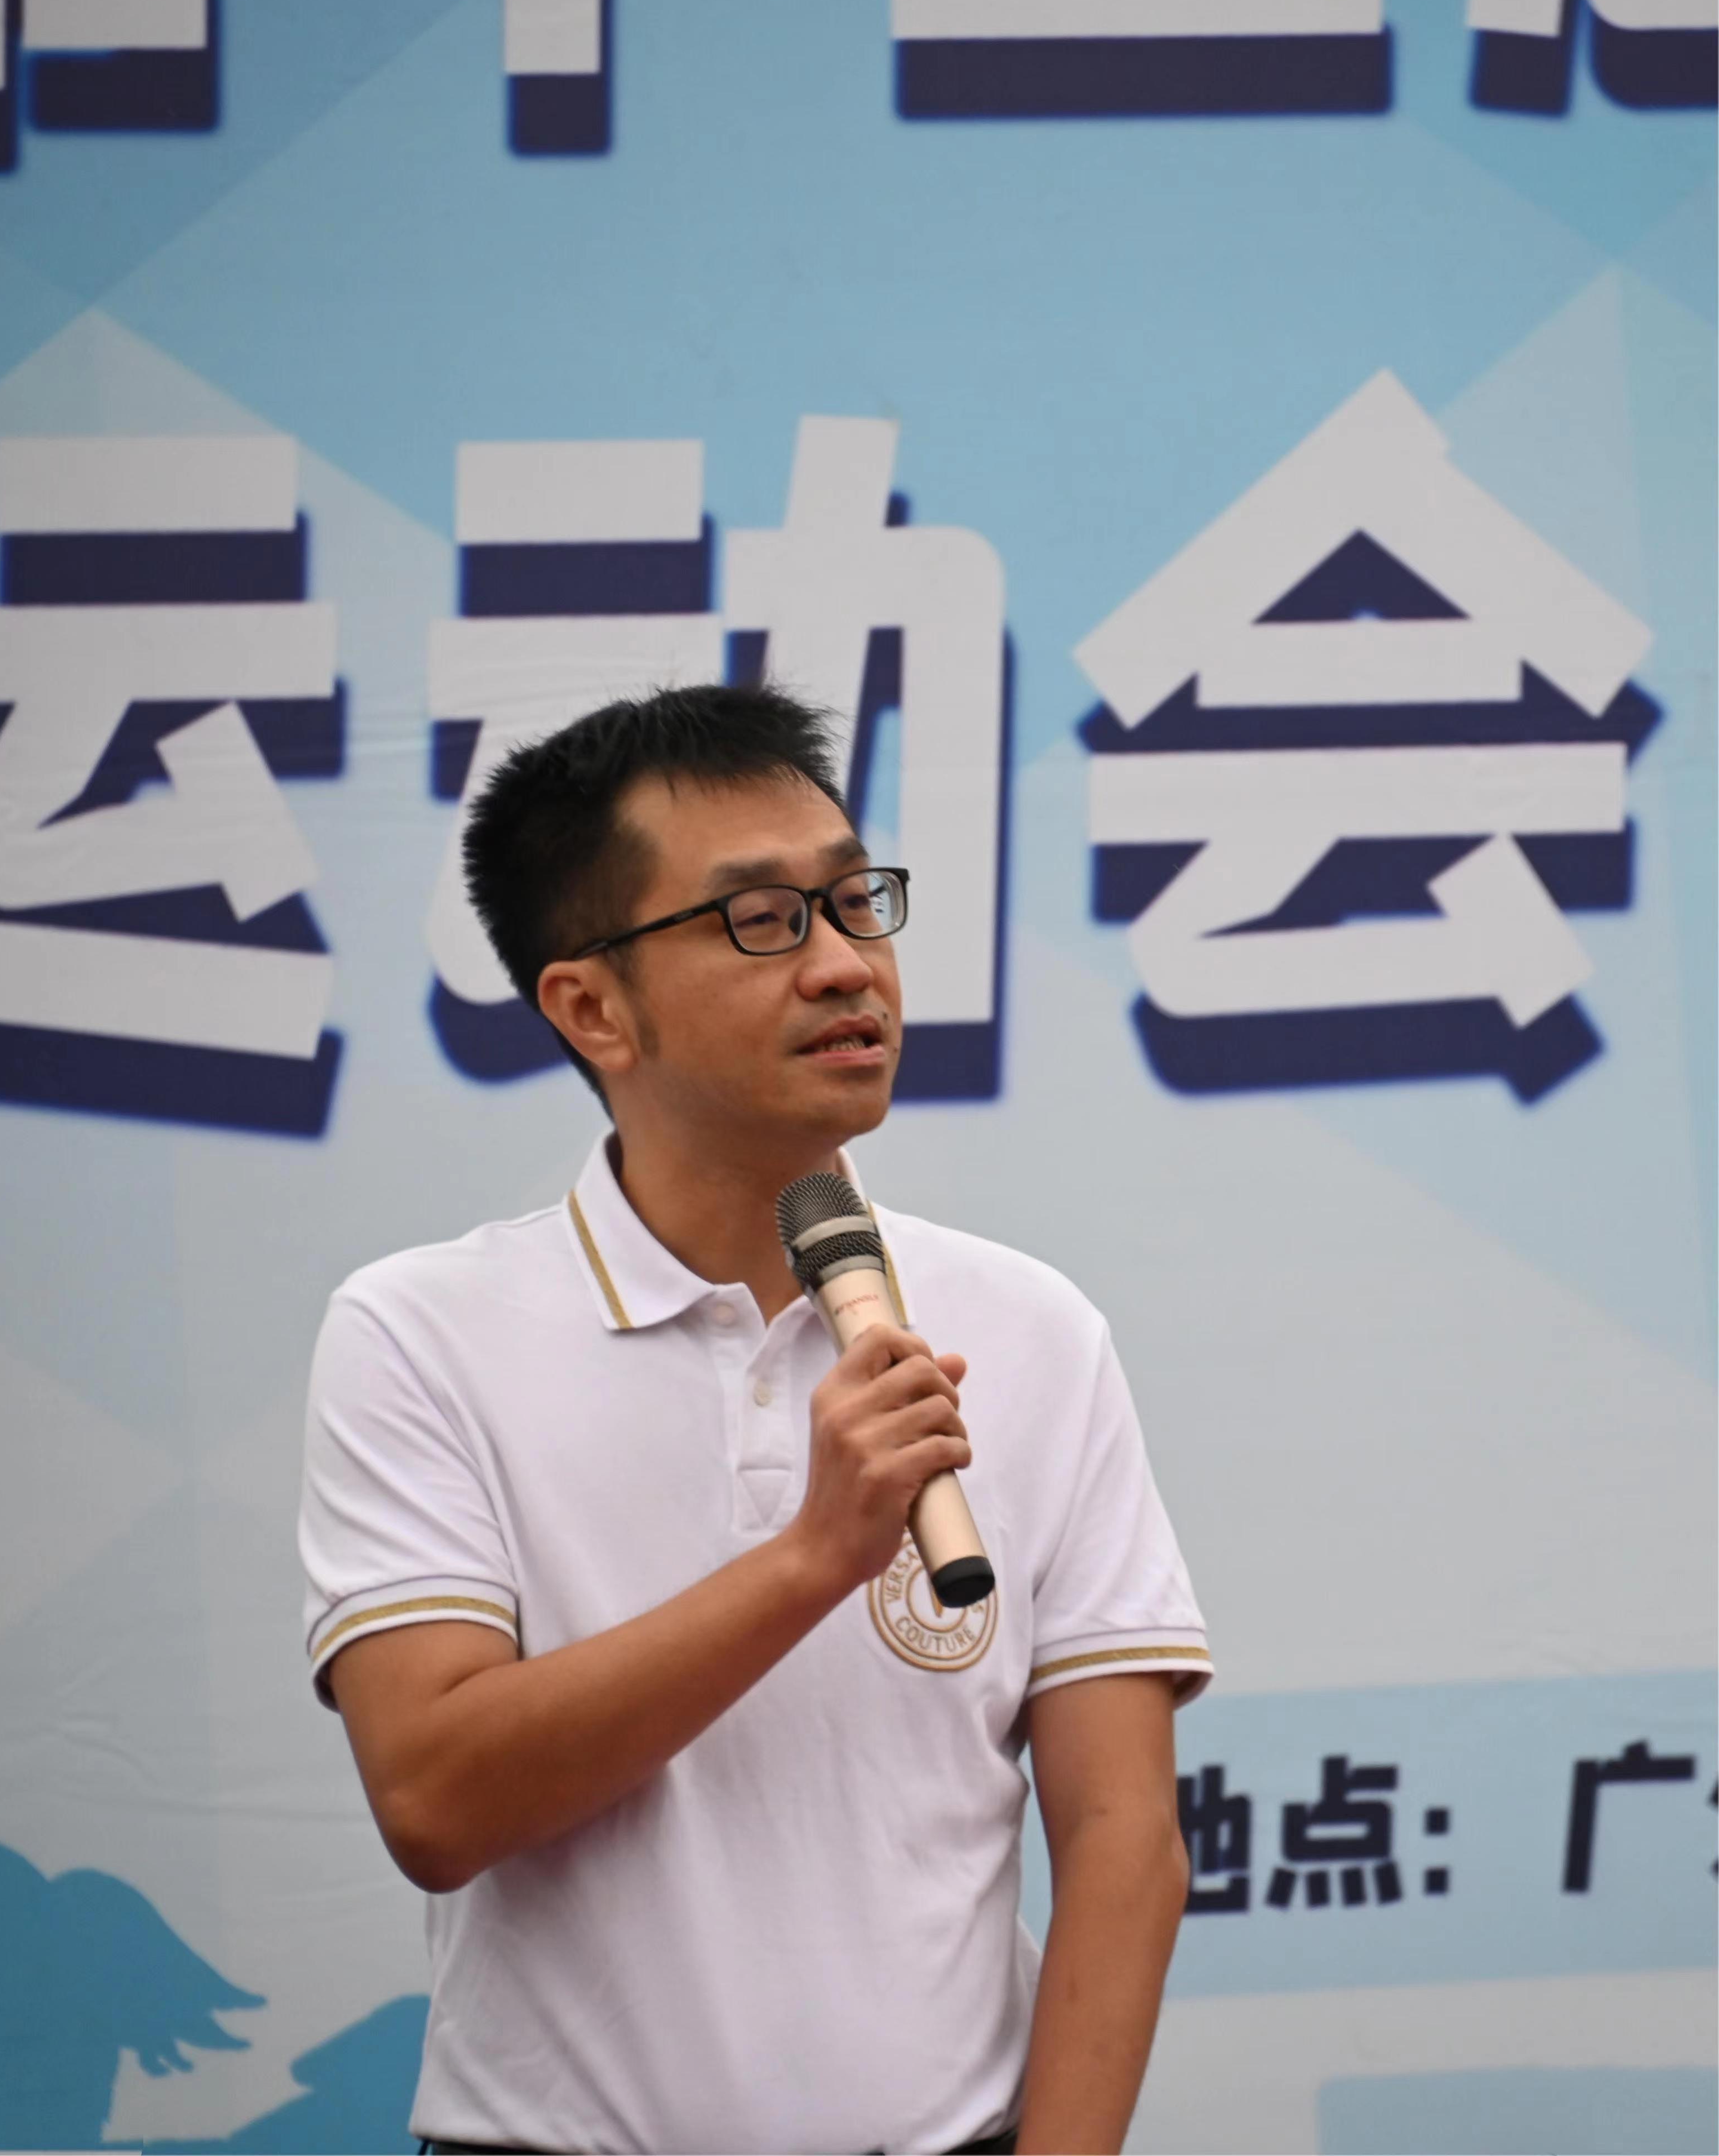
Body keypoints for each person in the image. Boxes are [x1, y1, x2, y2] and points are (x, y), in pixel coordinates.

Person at [299, 684, 1212, 2156]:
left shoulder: (1034, 1328)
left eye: (855, 903)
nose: (847, 965)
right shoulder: (421, 1333)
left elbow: (1124, 1843)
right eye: (763, 922)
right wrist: (813, 1556)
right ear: (592, 1007)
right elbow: (437, 1800)